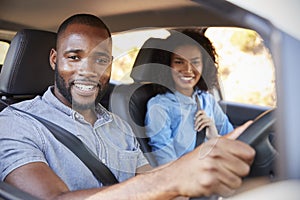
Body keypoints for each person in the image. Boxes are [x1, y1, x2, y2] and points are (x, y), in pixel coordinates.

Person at [0, 14, 255, 200]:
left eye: (100, 59)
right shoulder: (16, 123)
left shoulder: (118, 125)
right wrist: (172, 179)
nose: (88, 71)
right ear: (55, 59)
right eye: (74, 57)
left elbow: (146, 177)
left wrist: (202, 163)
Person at [145, 30, 234, 166]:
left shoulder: (207, 100)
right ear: (167, 65)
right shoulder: (159, 107)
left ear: (204, 66)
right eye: (179, 62)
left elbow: (233, 140)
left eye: (195, 62)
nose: (188, 69)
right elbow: (167, 166)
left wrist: (214, 138)